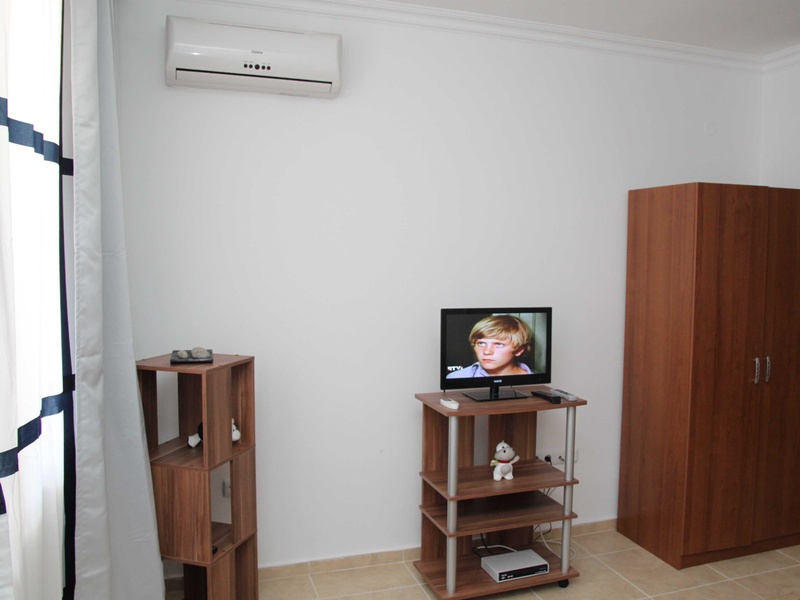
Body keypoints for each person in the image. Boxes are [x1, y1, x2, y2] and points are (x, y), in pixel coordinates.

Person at [446, 314, 533, 378]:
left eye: (498, 344)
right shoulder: (456, 377)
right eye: (481, 343)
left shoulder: (533, 382)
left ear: (519, 350)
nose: (487, 351)